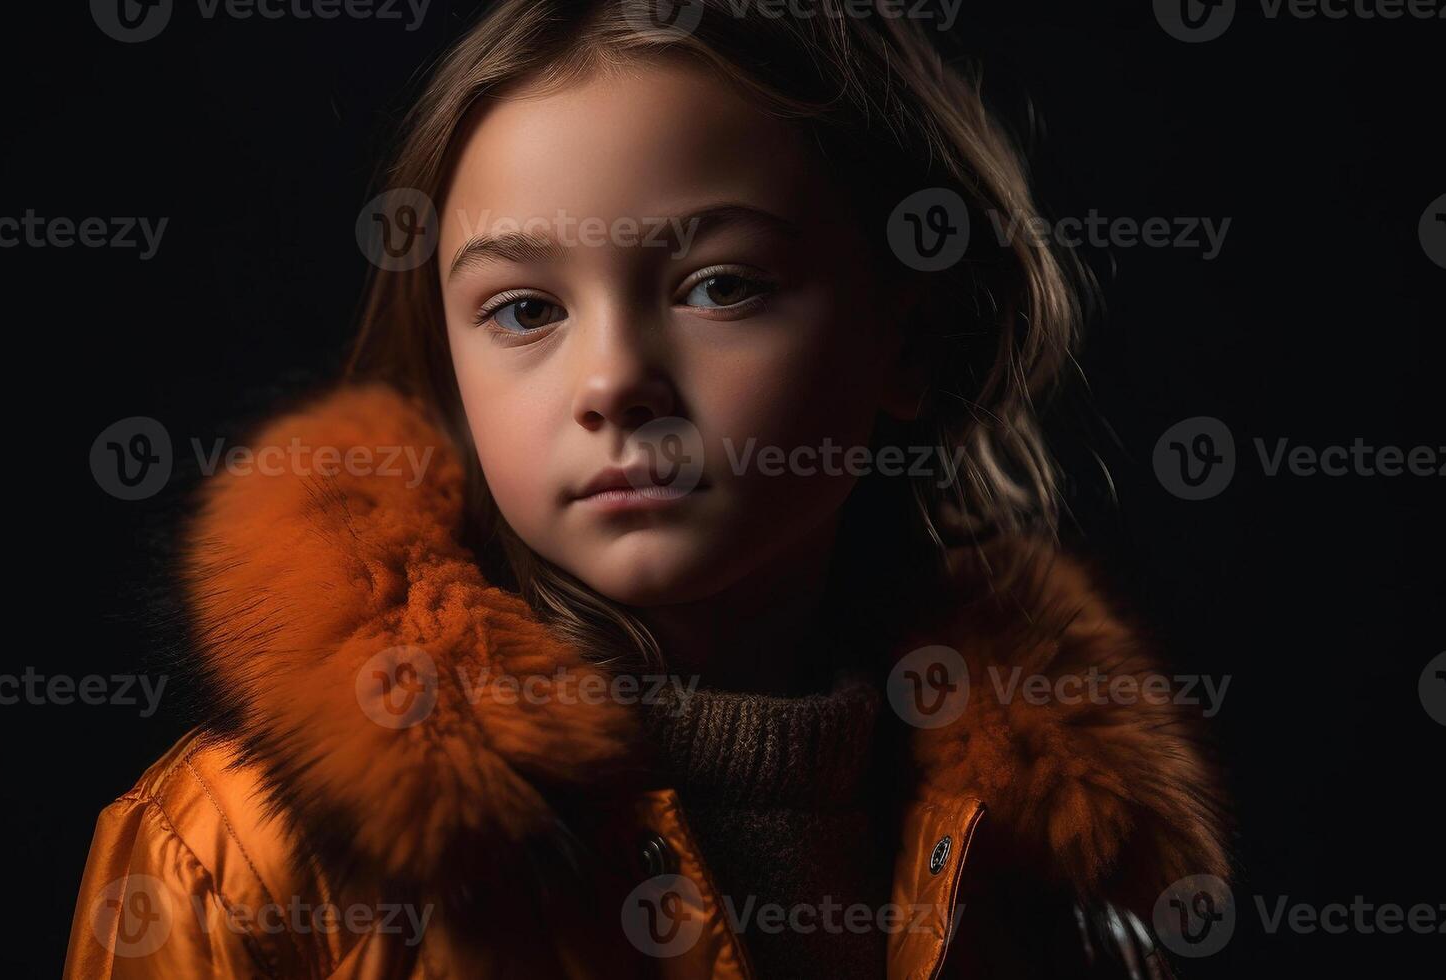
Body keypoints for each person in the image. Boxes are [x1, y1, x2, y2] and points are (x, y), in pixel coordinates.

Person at [66, 2, 1230, 976]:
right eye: (523, 308)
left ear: (907, 344)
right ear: (450, 370)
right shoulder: (237, 854)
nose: (614, 380)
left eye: (719, 284)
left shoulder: (1051, 863)